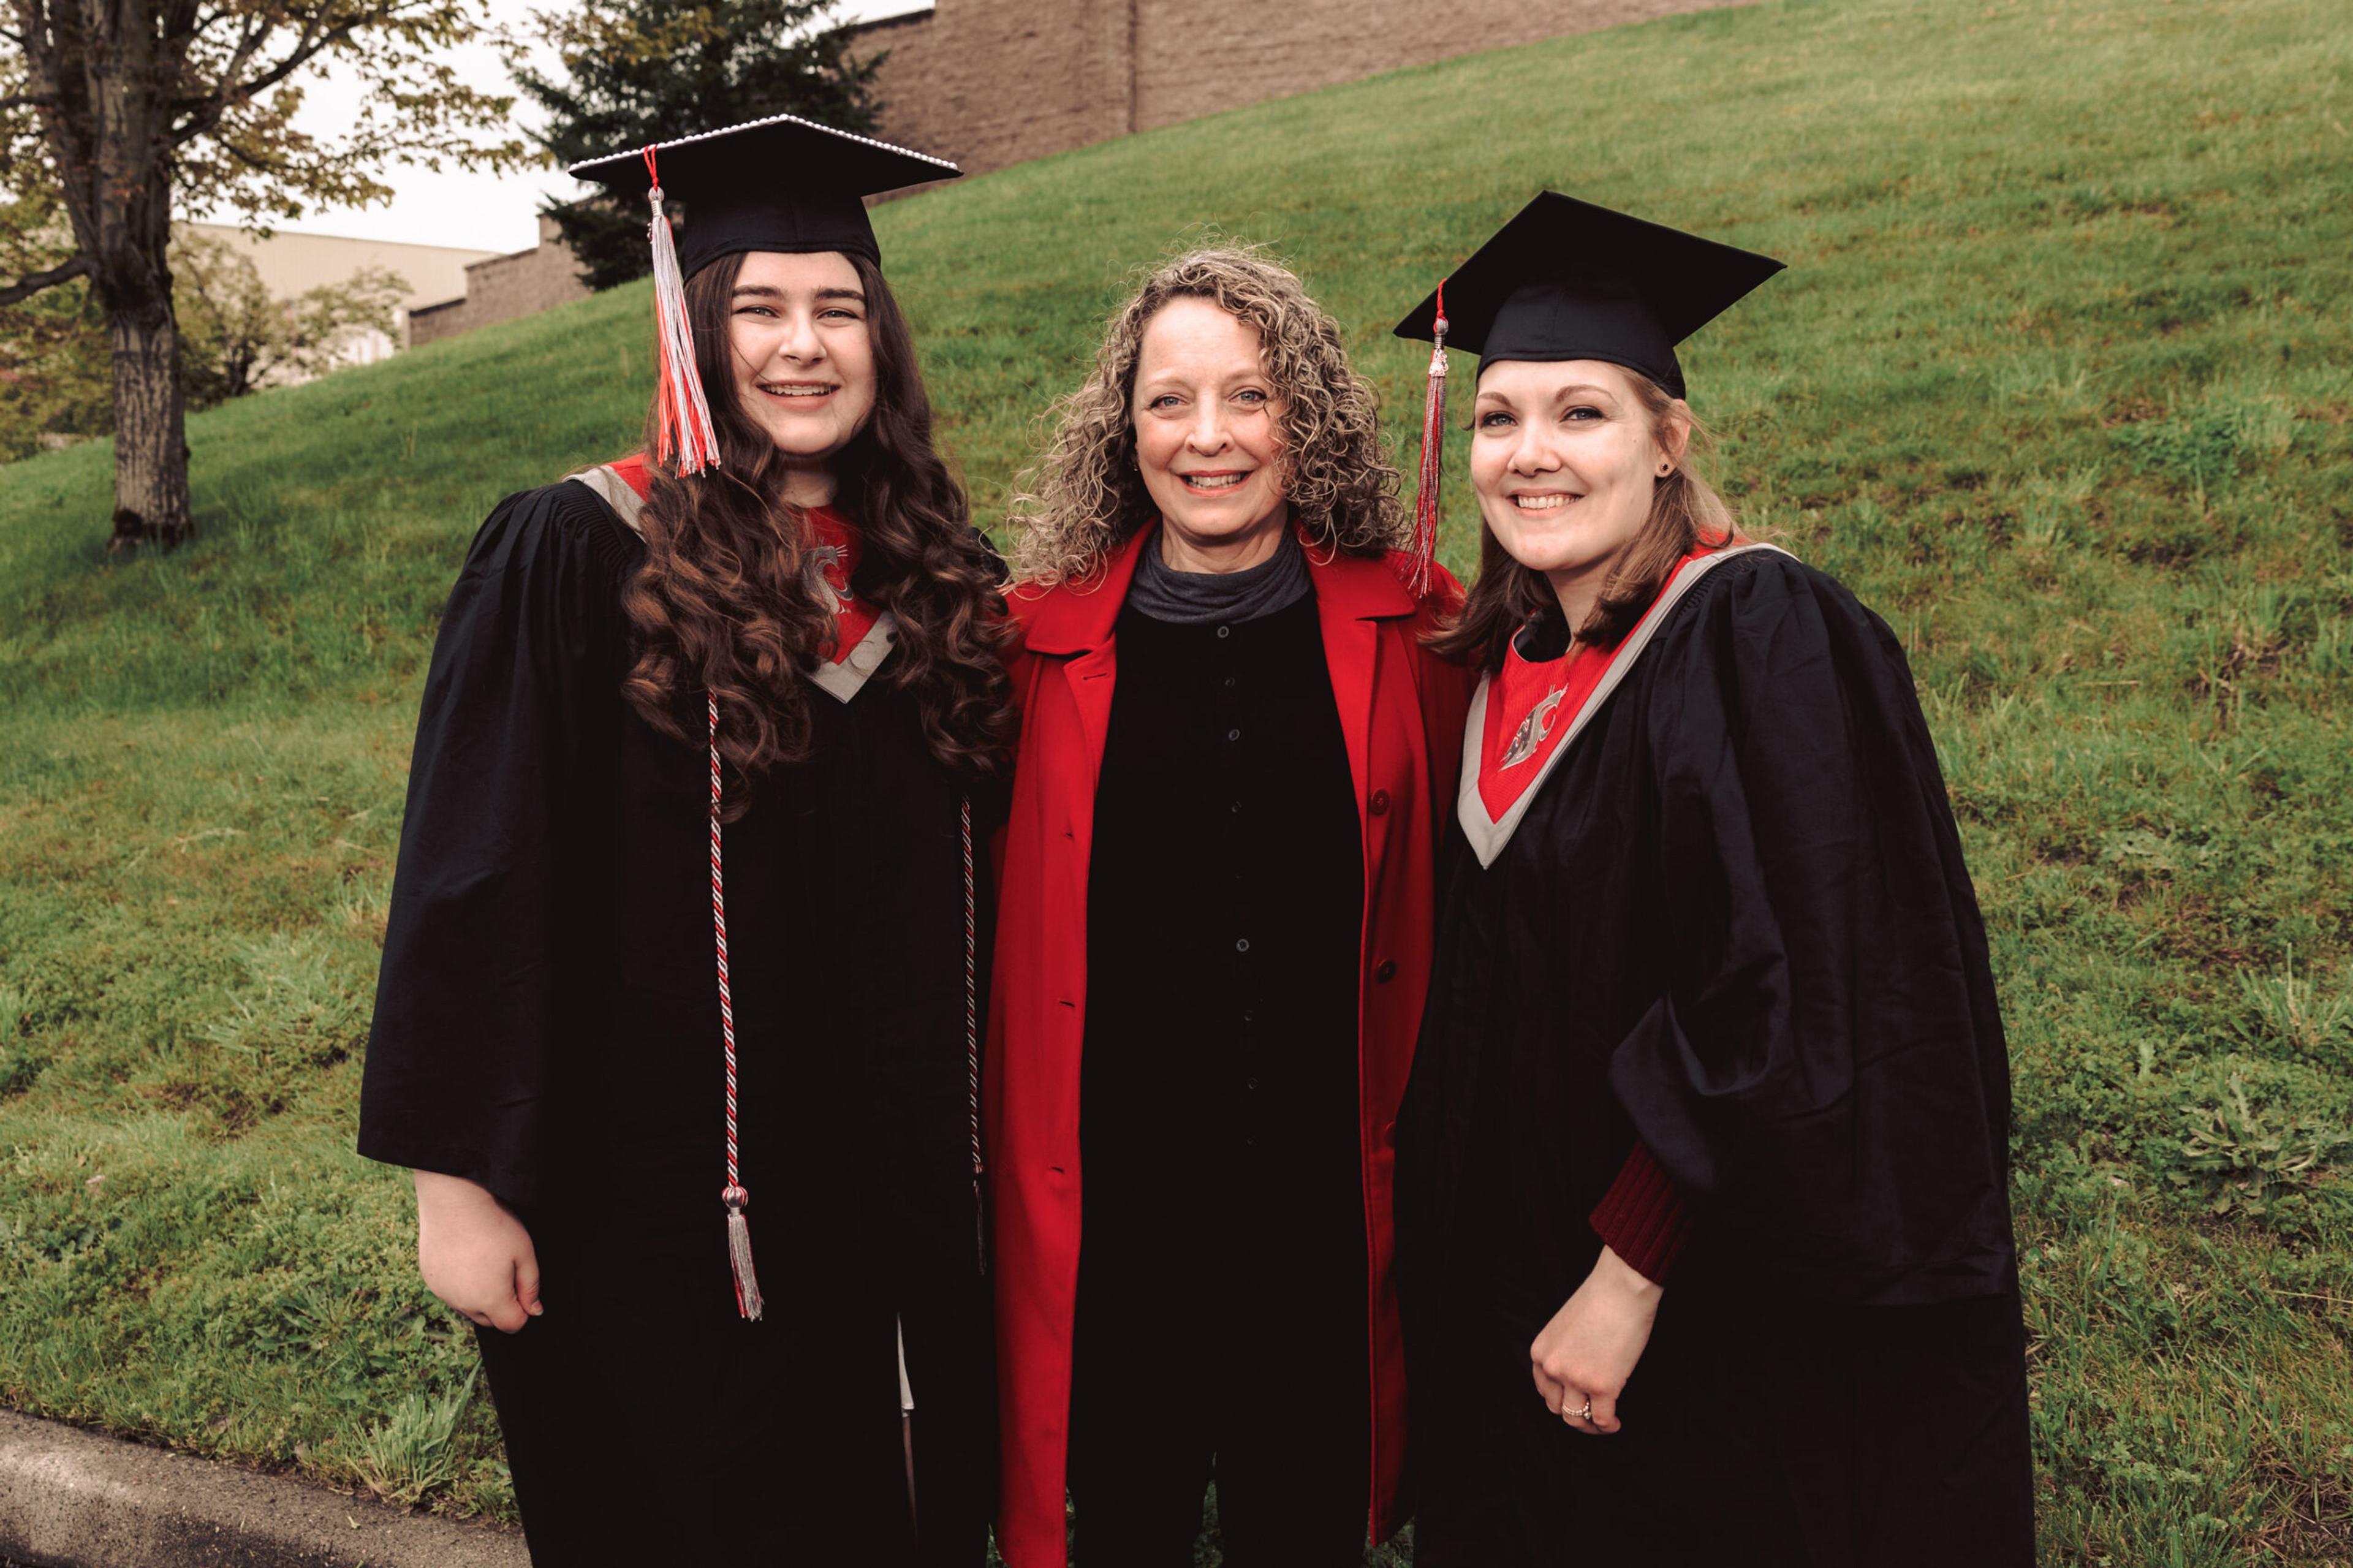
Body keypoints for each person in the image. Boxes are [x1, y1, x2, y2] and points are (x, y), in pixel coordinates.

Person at [357, 116, 1012, 1568]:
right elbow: (472, 865)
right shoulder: (578, 550)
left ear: (881, 340)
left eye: (839, 309)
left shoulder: (936, 577)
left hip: (891, 1197)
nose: (803, 345)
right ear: (689, 328)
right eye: (760, 310)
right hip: (652, 1208)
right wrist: (455, 1182)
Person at [1390, 192, 2035, 1567]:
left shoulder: (1756, 625)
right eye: (1499, 418)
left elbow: (1805, 985)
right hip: (1531, 1304)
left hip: (1704, 1314)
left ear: (1669, 440)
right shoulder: (1509, 673)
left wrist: (1629, 1272)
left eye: (1583, 414)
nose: (1528, 455)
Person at [986, 246, 1472, 1568]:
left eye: (1249, 398)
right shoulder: (1028, 652)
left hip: (1327, 1217)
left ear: (1303, 419)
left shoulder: (1421, 632)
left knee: (1308, 1528)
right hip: (1116, 1220)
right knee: (1126, 1523)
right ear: (1121, 425)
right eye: (1168, 400)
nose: (1208, 437)